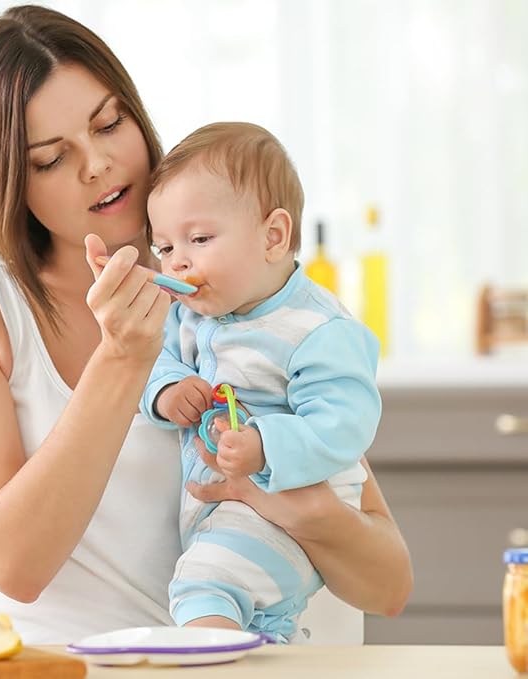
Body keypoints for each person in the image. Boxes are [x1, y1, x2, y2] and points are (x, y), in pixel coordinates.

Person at [0, 5, 412, 645]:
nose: (98, 164)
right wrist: (123, 359)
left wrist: (285, 501)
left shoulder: (230, 293)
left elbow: (387, 585)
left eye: (110, 123)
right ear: (5, 182)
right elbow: (14, 567)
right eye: (52, 158)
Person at [140, 122, 379, 642]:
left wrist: (265, 446)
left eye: (198, 239)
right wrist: (166, 391)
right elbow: (152, 361)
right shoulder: (190, 317)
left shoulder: (316, 328)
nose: (177, 261)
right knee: (245, 609)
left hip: (287, 511)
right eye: (162, 248)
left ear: (273, 237)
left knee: (201, 590)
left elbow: (345, 424)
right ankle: (268, 642)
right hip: (220, 513)